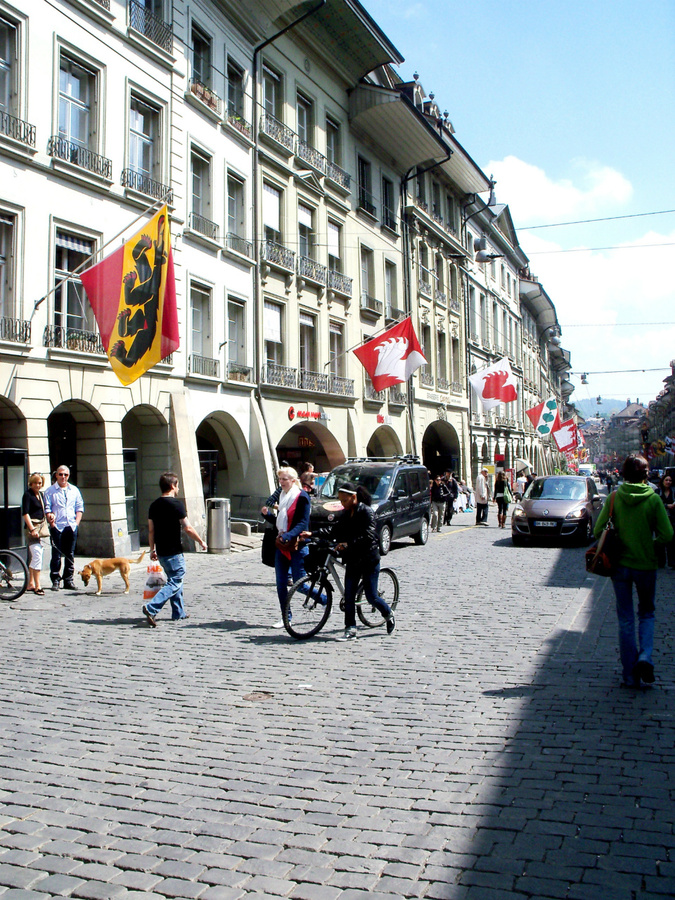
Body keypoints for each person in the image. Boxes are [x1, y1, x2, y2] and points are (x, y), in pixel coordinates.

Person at [594, 454, 673, 688]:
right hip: (646, 565)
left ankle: (629, 674)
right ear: (645, 474)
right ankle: (645, 656)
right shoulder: (653, 499)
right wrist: (651, 546)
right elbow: (668, 534)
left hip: (619, 566)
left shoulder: (614, 497)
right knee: (647, 613)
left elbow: (599, 530)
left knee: (625, 618)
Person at [331, 482, 395, 641]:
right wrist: (312, 533)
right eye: (340, 501)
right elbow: (335, 530)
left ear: (354, 497)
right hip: (352, 559)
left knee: (371, 596)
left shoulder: (366, 511)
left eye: (344, 500)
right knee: (349, 595)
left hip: (368, 559)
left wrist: (348, 544)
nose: (342, 504)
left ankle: (388, 613)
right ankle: (350, 629)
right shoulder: (346, 513)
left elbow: (369, 536)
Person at [142, 472, 207, 626]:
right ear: (172, 486)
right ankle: (152, 608)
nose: (178, 489)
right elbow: (188, 528)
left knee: (174, 579)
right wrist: (201, 541)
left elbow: (151, 530)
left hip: (162, 552)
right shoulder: (177, 505)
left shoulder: (154, 505)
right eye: (177, 485)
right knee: (176, 580)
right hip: (174, 551)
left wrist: (152, 550)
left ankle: (179, 612)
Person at [261, 466, 311, 628]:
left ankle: (324, 600)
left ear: (293, 481)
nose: (281, 482)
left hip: (297, 545)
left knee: (300, 584)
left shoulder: (301, 496)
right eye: (280, 479)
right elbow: (280, 522)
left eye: (284, 479)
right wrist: (267, 515)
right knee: (281, 584)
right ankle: (286, 616)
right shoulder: (283, 496)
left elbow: (303, 523)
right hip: (281, 544)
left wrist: (289, 534)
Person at [43, 465, 84, 591]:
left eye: (65, 475)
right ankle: (55, 580)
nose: (63, 477)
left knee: (70, 554)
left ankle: (68, 580)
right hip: (57, 526)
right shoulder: (50, 491)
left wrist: (76, 523)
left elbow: (79, 507)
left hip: (71, 526)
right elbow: (47, 508)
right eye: (60, 474)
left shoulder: (74, 490)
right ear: (56, 475)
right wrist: (52, 523)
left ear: (68, 476)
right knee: (56, 555)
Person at [22, 473, 47, 595]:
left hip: (41, 529)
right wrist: (32, 529)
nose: (38, 485)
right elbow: (25, 513)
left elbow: (44, 511)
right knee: (37, 555)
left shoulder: (41, 495)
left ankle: (30, 583)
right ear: (31, 483)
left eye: (40, 483)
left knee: (36, 556)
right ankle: (38, 585)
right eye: (35, 482)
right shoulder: (28, 495)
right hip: (32, 529)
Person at [656, 473, 675, 568]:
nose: (668, 482)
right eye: (666, 480)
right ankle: (661, 561)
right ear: (662, 481)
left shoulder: (673, 492)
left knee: (671, 539)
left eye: (670, 480)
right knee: (661, 540)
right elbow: (656, 505)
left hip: (672, 518)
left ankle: (672, 561)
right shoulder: (657, 492)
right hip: (660, 519)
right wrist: (667, 506)